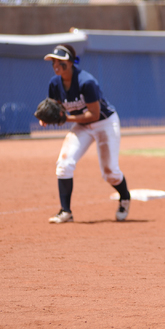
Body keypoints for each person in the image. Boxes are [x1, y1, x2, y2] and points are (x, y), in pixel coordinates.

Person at [41, 44, 131, 224]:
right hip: (82, 126)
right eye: (53, 62)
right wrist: (47, 117)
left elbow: (94, 114)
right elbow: (54, 108)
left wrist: (65, 119)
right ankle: (65, 211)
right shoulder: (54, 83)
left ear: (70, 62)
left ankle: (124, 197)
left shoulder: (86, 82)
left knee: (110, 172)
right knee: (64, 163)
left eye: (59, 61)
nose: (55, 65)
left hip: (104, 123)